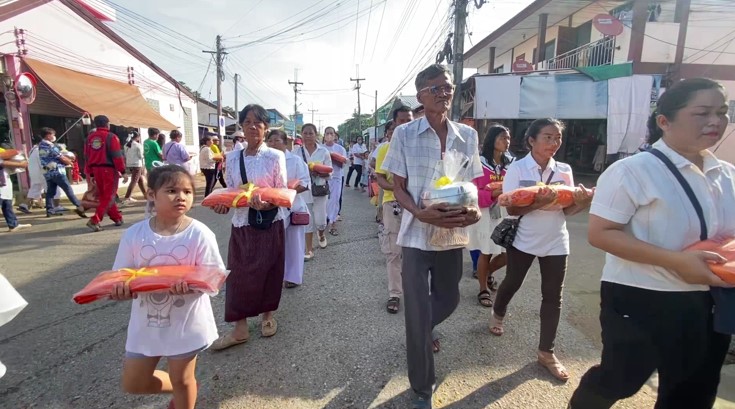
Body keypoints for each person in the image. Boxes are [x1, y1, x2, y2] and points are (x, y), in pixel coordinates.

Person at [569, 78, 734, 408]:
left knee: (693, 391)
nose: (715, 121)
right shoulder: (631, 171)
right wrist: (676, 261)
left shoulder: (727, 174)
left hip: (712, 300)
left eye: (722, 112)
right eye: (702, 112)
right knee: (620, 378)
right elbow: (601, 233)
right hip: (642, 297)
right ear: (664, 121)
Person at [381, 64, 483, 409]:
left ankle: (419, 329)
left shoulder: (467, 136)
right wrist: (418, 212)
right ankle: (422, 388)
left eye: (448, 88)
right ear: (421, 96)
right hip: (415, 234)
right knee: (416, 306)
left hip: (452, 231)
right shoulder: (405, 134)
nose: (444, 94)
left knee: (449, 298)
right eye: (436, 89)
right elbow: (397, 186)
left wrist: (475, 210)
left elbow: (472, 185)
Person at [110, 165, 224, 409]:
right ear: (152, 194)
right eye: (171, 190)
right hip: (146, 323)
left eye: (187, 192)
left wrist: (192, 286)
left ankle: (185, 390)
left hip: (186, 321)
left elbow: (214, 277)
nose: (181, 197)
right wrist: (121, 289)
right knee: (134, 382)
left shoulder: (200, 234)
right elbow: (121, 275)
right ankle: (186, 388)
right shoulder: (134, 234)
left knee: (182, 379)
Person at [490, 118, 593, 382]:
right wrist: (538, 202)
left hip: (556, 239)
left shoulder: (564, 170)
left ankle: (546, 353)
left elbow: (567, 210)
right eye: (548, 137)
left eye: (558, 138)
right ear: (531, 140)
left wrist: (583, 203)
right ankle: (498, 312)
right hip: (524, 237)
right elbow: (511, 209)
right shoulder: (517, 168)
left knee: (553, 296)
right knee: (513, 281)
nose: (554, 143)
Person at [209, 104, 288, 350]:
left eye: (258, 122)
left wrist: (266, 204)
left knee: (270, 270)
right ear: (241, 126)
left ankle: (267, 316)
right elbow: (232, 192)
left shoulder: (275, 156)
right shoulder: (232, 157)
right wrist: (223, 206)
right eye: (247, 122)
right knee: (238, 275)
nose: (252, 126)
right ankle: (239, 327)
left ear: (266, 127)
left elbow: (282, 191)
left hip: (270, 222)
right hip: (242, 223)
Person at [468, 125, 513, 307]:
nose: (506, 141)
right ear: (492, 140)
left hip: (506, 212)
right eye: (502, 137)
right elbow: (470, 191)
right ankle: (482, 289)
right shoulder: (478, 163)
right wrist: (493, 193)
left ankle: (486, 274)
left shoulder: (511, 163)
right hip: (486, 213)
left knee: (509, 253)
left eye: (508, 138)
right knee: (485, 251)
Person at [266, 129, 310, 288]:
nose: (273, 144)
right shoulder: (264, 161)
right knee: (273, 244)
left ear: (285, 143)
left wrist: (286, 193)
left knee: (294, 244)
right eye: (270, 141)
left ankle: (292, 277)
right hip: (271, 208)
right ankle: (274, 275)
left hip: (293, 207)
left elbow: (305, 183)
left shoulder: (295, 161)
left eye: (277, 140)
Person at [375, 120, 403, 313]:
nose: (397, 133)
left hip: (416, 206)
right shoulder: (384, 150)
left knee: (415, 252)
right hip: (392, 202)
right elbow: (381, 179)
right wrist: (398, 189)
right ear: (387, 133)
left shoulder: (414, 148)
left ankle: (415, 290)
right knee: (394, 252)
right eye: (393, 130)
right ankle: (395, 294)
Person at [292, 123, 332, 259]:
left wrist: (318, 172)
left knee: (321, 220)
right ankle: (308, 249)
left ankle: (321, 233)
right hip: (303, 191)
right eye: (305, 133)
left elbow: (330, 173)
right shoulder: (296, 153)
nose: (308, 136)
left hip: (320, 189)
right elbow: (292, 173)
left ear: (316, 135)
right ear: (301, 135)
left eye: (311, 133)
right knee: (307, 220)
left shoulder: (323, 152)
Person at [84, 115, 127, 232]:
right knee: (109, 196)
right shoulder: (111, 137)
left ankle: (117, 218)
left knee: (105, 196)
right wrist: (123, 171)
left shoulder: (89, 138)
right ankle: (95, 220)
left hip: (96, 170)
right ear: (107, 124)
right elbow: (117, 156)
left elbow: (87, 157)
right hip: (109, 170)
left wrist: (91, 173)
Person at [38, 127, 87, 218]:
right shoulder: (50, 146)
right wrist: (70, 162)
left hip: (47, 170)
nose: (54, 136)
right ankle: (79, 206)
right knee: (68, 189)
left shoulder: (40, 145)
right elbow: (61, 157)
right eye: (53, 135)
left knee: (50, 192)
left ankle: (49, 210)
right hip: (56, 171)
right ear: (48, 136)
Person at [17, 139, 61, 214]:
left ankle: (24, 205)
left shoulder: (33, 150)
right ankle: (56, 206)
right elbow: (43, 163)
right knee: (54, 189)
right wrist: (53, 166)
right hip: (43, 173)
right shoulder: (41, 150)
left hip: (35, 174)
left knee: (35, 189)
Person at [323, 126, 347, 236]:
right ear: (324, 135)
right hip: (322, 178)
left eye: (331, 133)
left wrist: (333, 157)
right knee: (323, 201)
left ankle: (333, 224)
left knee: (334, 200)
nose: (329, 135)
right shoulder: (320, 148)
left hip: (336, 178)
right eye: (327, 133)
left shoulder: (340, 149)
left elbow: (342, 164)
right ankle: (324, 222)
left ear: (334, 135)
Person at [0, 153, 31, 232]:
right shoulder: (3, 162)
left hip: (5, 188)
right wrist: (20, 164)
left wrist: (22, 162)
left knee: (7, 207)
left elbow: (16, 168)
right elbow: (3, 162)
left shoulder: (5, 165)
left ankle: (13, 225)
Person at [123, 131, 147, 204]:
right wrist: (144, 156)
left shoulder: (126, 144)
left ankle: (145, 194)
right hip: (137, 164)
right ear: (137, 137)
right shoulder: (138, 145)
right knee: (134, 180)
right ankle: (127, 197)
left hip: (129, 164)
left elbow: (125, 154)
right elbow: (140, 156)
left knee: (139, 179)